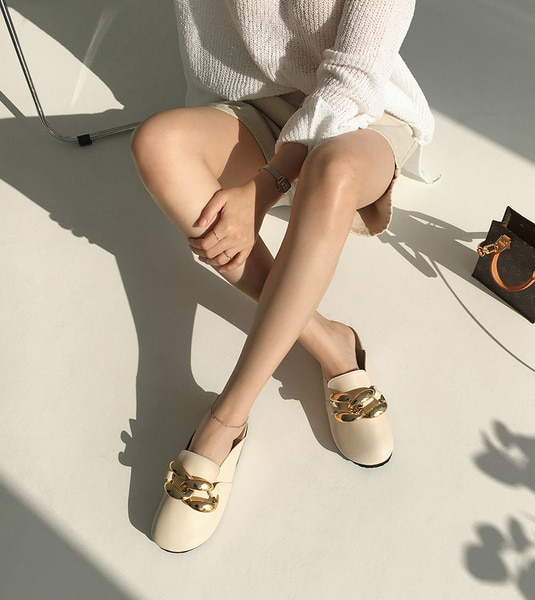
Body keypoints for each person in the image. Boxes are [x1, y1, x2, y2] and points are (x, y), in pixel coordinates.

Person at [130, 0, 435, 552]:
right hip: (251, 108)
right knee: (157, 144)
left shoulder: (355, 102)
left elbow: (355, 79)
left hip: (359, 115)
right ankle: (331, 344)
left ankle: (225, 422)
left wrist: (263, 187)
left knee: (331, 169)